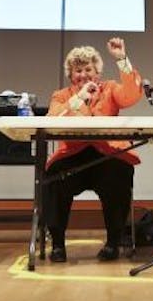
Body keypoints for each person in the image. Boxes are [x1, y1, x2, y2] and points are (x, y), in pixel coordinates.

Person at [43, 37, 142, 263]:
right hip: (73, 155)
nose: (84, 75)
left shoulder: (110, 89)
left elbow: (132, 95)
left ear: (97, 72)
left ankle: (113, 243)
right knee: (53, 177)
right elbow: (53, 118)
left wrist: (121, 60)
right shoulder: (61, 95)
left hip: (106, 154)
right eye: (78, 71)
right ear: (71, 75)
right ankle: (57, 243)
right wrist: (79, 98)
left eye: (88, 69)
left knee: (120, 171)